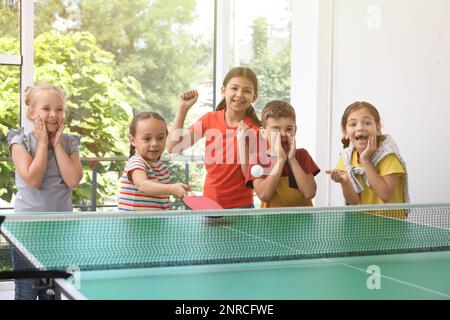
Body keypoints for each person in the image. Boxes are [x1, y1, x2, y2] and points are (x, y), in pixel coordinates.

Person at [7, 84, 83, 300]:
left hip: (59, 232)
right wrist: (42, 143)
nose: (53, 114)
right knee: (27, 294)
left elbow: (73, 180)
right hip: (27, 233)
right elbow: (32, 179)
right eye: (46, 108)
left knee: (53, 294)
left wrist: (57, 145)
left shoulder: (69, 142)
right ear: (32, 113)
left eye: (59, 109)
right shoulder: (19, 141)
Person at [167, 67, 261, 209]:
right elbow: (174, 146)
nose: (239, 94)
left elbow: (249, 175)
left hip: (242, 207)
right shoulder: (209, 120)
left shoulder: (255, 130)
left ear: (254, 96)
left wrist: (243, 140)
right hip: (210, 205)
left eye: (247, 91)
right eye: (234, 88)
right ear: (224, 91)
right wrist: (183, 108)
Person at [326, 101, 409, 210]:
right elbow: (354, 202)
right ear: (345, 132)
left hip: (391, 223)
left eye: (367, 123)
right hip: (362, 222)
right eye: (353, 124)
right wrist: (344, 182)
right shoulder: (346, 158)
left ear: (378, 128)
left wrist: (365, 160)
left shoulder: (388, 156)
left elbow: (386, 195)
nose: (360, 127)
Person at [245, 100, 320, 208]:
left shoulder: (302, 155)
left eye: (289, 129)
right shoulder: (257, 159)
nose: (283, 134)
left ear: (295, 130)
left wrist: (292, 159)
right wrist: (280, 161)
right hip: (271, 223)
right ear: (264, 133)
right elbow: (264, 195)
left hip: (304, 223)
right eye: (276, 129)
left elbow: (309, 193)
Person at [118, 111, 190, 211]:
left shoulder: (162, 168)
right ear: (133, 140)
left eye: (160, 138)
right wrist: (172, 189)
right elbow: (142, 185)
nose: (155, 143)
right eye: (147, 138)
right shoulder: (136, 162)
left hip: (156, 223)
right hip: (134, 224)